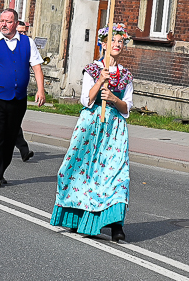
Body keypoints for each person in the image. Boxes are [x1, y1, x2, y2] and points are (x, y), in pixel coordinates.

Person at [51, 24, 133, 241]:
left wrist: (115, 100)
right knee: (83, 170)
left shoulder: (125, 75)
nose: (117, 45)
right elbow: (86, 100)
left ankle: (115, 224)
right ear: (103, 45)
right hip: (91, 124)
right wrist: (100, 81)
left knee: (116, 175)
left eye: (120, 41)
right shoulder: (93, 69)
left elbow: (127, 109)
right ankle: (77, 217)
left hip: (114, 128)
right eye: (112, 41)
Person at [0, 8, 46, 187]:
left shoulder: (27, 42)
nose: (4, 25)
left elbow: (37, 67)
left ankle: (2, 169)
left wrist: (41, 90)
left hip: (18, 98)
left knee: (11, 135)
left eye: (8, 21)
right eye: (2, 21)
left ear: (15, 23)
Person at [13, 21, 37, 163]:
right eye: (20, 31)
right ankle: (23, 149)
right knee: (9, 124)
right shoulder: (6, 43)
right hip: (3, 91)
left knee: (15, 122)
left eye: (24, 32)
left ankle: (23, 149)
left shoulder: (27, 44)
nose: (23, 34)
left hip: (20, 90)